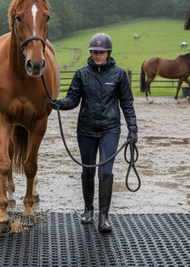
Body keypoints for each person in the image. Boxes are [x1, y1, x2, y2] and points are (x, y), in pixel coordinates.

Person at [49, 33, 138, 233]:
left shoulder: (119, 74)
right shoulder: (82, 73)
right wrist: (60, 104)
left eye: (101, 52)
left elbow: (127, 104)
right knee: (88, 170)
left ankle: (104, 216)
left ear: (108, 53)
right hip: (86, 130)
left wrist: (133, 129)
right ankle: (88, 209)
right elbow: (73, 98)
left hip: (110, 130)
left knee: (105, 172)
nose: (97, 55)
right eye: (94, 52)